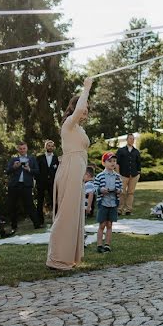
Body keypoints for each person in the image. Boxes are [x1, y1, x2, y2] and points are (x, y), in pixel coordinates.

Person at [46, 79, 93, 270]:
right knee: (66, 213)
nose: (86, 110)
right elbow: (80, 108)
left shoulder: (78, 128)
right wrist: (87, 88)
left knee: (74, 213)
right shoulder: (69, 124)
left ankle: (67, 257)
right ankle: (56, 259)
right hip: (71, 169)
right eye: (85, 107)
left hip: (77, 170)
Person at [5, 140, 42, 231]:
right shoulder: (13, 159)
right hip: (14, 185)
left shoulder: (32, 159)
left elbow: (37, 171)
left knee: (30, 205)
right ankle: (14, 226)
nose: (22, 150)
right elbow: (7, 171)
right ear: (18, 149)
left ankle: (37, 224)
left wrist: (29, 169)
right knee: (12, 206)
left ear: (27, 148)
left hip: (26, 185)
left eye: (24, 148)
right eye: (20, 149)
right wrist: (14, 167)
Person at [94, 152, 123, 253]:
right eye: (110, 161)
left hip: (113, 203)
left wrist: (118, 190)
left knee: (110, 224)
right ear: (104, 163)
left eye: (114, 161)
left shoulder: (117, 177)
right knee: (102, 224)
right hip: (103, 203)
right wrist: (101, 190)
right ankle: (99, 245)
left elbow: (121, 188)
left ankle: (107, 244)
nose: (112, 163)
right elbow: (94, 188)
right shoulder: (100, 176)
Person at [115, 133, 141, 216]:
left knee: (131, 193)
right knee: (122, 192)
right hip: (123, 175)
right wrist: (118, 174)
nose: (132, 140)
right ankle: (119, 209)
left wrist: (138, 174)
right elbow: (117, 163)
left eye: (133, 139)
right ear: (127, 140)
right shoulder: (121, 150)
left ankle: (128, 210)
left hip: (134, 175)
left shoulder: (136, 152)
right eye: (130, 139)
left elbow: (138, 164)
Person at [36, 139, 60, 225]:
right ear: (45, 147)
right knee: (40, 201)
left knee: (55, 200)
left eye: (52, 146)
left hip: (52, 183)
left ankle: (57, 218)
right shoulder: (39, 158)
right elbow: (36, 170)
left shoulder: (57, 158)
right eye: (48, 145)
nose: (50, 147)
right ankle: (40, 221)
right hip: (41, 183)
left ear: (54, 147)